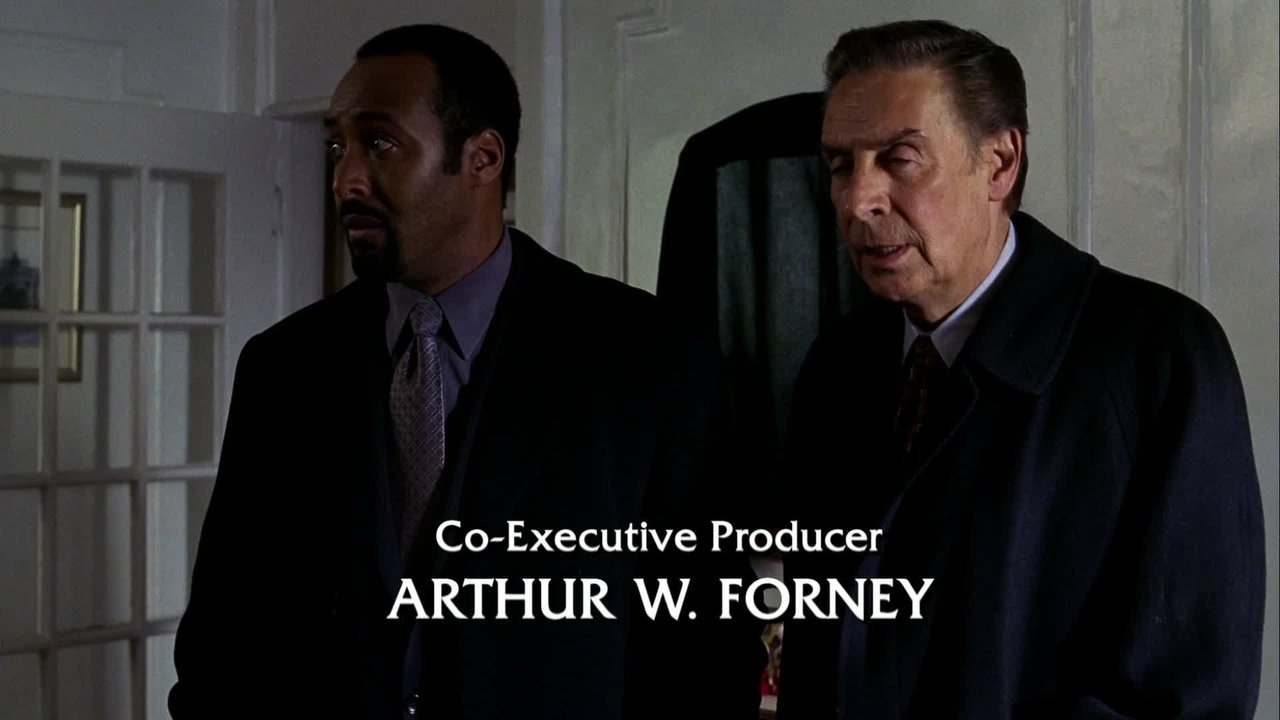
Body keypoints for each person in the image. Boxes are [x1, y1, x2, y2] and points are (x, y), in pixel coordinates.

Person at [169, 24, 761, 720]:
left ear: (482, 158)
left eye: (379, 144)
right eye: (338, 147)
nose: (345, 179)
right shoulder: (285, 367)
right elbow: (222, 638)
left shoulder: (645, 355)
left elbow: (706, 645)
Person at [780, 19, 1264, 719]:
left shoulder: (1157, 357)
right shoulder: (837, 367)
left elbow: (1190, 691)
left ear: (1000, 164)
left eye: (900, 159)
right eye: (839, 166)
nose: (858, 200)